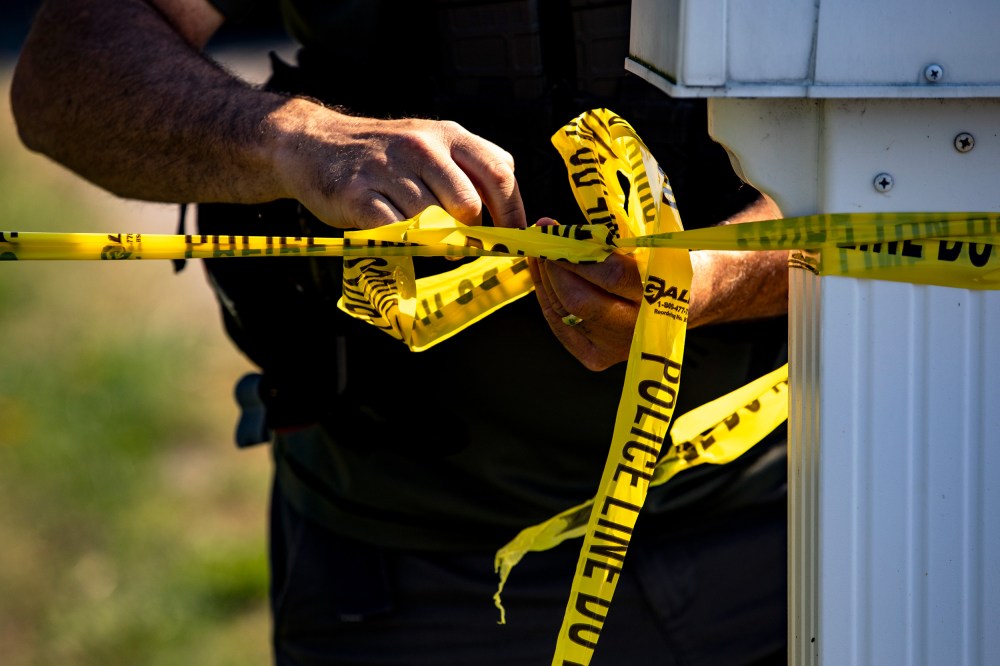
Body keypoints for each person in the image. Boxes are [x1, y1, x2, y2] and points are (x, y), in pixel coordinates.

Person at [11, 1, 790, 664]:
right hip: (407, 569)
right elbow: (63, 72)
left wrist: (717, 279)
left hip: (792, 538)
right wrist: (290, 141)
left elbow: (903, 172)